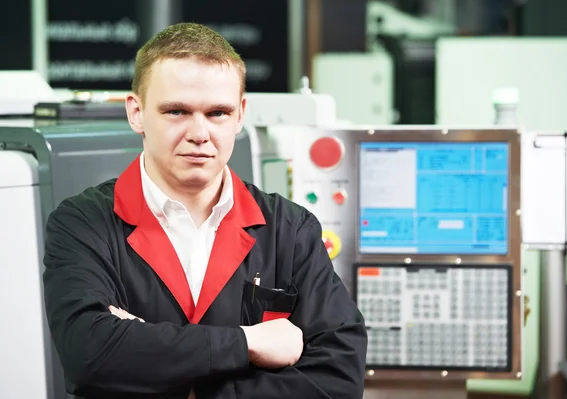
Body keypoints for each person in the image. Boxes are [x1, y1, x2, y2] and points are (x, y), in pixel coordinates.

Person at [42, 22, 368, 398]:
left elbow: (339, 379)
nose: (200, 133)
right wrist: (248, 344)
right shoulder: (83, 224)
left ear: (240, 114)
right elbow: (91, 353)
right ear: (136, 113)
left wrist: (161, 363)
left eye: (217, 113)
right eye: (177, 111)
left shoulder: (289, 230)